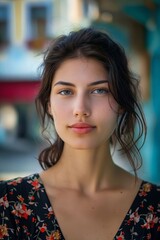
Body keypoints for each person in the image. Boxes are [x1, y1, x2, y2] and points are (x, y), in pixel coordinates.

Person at [0, 28, 160, 240]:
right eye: (66, 92)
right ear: (49, 104)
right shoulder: (8, 204)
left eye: (99, 90)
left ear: (121, 102)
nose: (80, 109)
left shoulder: (155, 208)